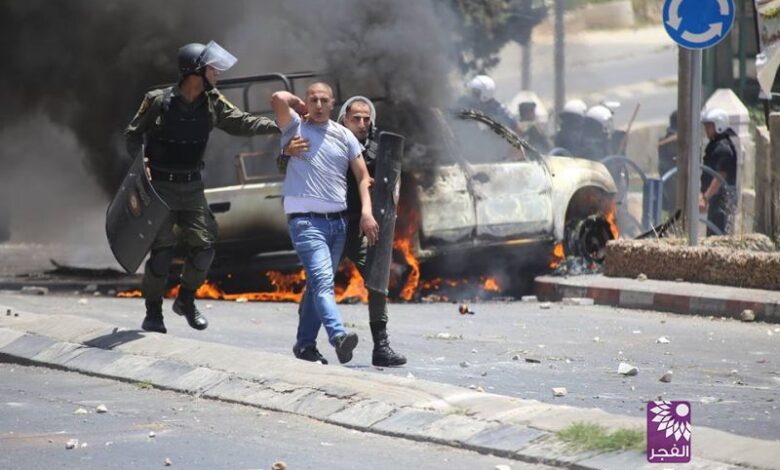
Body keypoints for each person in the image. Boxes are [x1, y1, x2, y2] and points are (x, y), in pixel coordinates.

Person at [125, 41, 279, 334]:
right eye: (212, 68)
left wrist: (280, 125)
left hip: (192, 187)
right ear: (195, 71)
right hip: (160, 189)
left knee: (205, 247)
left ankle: (185, 299)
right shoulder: (158, 101)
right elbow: (132, 135)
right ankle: (153, 312)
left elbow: (241, 122)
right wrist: (140, 164)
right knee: (162, 252)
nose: (217, 73)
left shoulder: (212, 101)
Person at [283, 96, 407, 367]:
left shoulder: (378, 150)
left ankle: (381, 346)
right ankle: (306, 344)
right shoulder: (326, 140)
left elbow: (390, 187)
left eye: (366, 119)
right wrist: (287, 151)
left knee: (377, 282)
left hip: (363, 229)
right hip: (332, 225)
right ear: (344, 119)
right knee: (318, 285)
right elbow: (290, 164)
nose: (361, 124)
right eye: (356, 119)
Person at [271, 83, 379, 365]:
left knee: (316, 285)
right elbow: (278, 98)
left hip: (338, 224)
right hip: (306, 223)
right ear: (307, 102)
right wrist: (299, 106)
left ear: (333, 105)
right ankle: (338, 336)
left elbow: (363, 177)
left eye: (323, 101)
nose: (318, 105)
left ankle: (305, 345)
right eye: (313, 100)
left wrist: (366, 212)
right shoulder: (295, 127)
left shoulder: (344, 136)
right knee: (322, 282)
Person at [700, 108, 737, 236]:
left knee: (718, 236)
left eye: (709, 126)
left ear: (718, 125)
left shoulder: (723, 148)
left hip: (722, 201)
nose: (706, 129)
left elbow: (720, 176)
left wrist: (705, 197)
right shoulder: (714, 145)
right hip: (715, 200)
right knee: (712, 234)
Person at [657, 110, 678, 212]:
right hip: (671, 176)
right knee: (674, 206)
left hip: (672, 175)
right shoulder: (669, 140)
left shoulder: (672, 138)